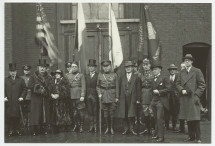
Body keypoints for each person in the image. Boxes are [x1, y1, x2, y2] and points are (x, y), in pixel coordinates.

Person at [176, 54, 206, 143]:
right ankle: (191, 136)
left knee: (195, 118)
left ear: (192, 62)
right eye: (185, 60)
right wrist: (182, 90)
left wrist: (196, 95)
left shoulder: (197, 71)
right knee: (188, 118)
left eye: (189, 60)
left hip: (193, 97)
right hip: (185, 97)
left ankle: (198, 137)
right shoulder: (182, 72)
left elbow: (202, 85)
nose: (187, 61)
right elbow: (177, 83)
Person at [28, 59, 52, 136]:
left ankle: (44, 128)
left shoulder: (49, 77)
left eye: (44, 67)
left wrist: (46, 90)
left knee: (44, 113)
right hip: (36, 99)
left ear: (46, 68)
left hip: (45, 98)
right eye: (41, 67)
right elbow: (30, 86)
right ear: (38, 67)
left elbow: (51, 86)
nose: (42, 69)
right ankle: (34, 130)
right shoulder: (33, 76)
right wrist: (39, 88)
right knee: (36, 114)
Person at [117, 60, 140, 136]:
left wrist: (138, 99)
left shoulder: (136, 77)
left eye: (129, 67)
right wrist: (118, 97)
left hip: (133, 98)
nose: (128, 68)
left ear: (132, 68)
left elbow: (138, 89)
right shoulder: (122, 77)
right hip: (123, 98)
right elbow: (119, 88)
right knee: (125, 113)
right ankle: (126, 129)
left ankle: (132, 128)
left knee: (132, 114)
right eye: (126, 67)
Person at [96, 60, 119, 135]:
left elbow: (117, 87)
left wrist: (117, 96)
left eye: (107, 66)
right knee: (105, 112)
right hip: (103, 95)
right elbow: (98, 86)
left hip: (112, 95)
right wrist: (99, 93)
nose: (106, 68)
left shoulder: (114, 75)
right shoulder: (100, 75)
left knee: (111, 112)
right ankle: (107, 128)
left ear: (110, 66)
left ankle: (112, 128)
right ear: (102, 67)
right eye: (104, 67)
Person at [150, 62, 170, 142]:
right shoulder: (152, 79)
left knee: (159, 118)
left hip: (161, 101)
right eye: (153, 69)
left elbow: (169, 89)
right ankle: (157, 134)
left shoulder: (164, 78)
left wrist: (159, 91)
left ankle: (161, 137)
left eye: (156, 69)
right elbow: (151, 91)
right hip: (154, 101)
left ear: (160, 70)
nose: (154, 71)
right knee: (155, 118)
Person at [5, 63, 26, 137]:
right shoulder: (5, 80)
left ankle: (17, 130)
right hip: (9, 102)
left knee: (17, 116)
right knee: (9, 116)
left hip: (17, 101)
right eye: (11, 71)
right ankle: (10, 130)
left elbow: (24, 89)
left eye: (14, 71)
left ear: (16, 71)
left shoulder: (20, 80)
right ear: (9, 72)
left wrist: (22, 97)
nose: (12, 72)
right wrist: (4, 97)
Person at [66, 61, 86, 133]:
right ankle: (75, 125)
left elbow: (83, 85)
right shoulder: (67, 75)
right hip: (71, 95)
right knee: (74, 112)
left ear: (77, 67)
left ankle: (81, 126)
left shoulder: (81, 75)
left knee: (81, 112)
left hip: (78, 95)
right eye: (72, 67)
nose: (74, 68)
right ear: (71, 68)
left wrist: (82, 95)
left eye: (75, 66)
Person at [49, 69, 71, 133]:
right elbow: (49, 89)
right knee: (55, 114)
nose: (57, 75)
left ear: (61, 75)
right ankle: (55, 127)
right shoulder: (52, 81)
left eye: (58, 74)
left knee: (63, 114)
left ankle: (64, 127)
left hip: (63, 102)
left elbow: (67, 92)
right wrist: (51, 95)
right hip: (54, 101)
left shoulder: (64, 81)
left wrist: (59, 95)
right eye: (56, 74)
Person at [139, 58, 155, 135]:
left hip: (151, 95)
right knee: (145, 113)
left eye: (147, 65)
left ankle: (153, 129)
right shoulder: (141, 74)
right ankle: (146, 129)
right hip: (144, 95)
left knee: (152, 113)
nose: (145, 66)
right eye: (144, 65)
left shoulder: (153, 74)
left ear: (150, 65)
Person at [85, 59, 99, 133]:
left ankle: (96, 126)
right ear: (88, 67)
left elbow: (98, 86)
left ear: (95, 67)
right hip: (88, 96)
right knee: (90, 111)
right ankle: (91, 126)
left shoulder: (98, 75)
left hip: (95, 96)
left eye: (92, 66)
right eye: (90, 66)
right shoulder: (86, 76)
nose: (91, 68)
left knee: (95, 111)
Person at [165, 64, 179, 131]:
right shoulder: (166, 77)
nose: (172, 71)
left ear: (176, 70)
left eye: (174, 69)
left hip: (175, 97)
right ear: (169, 71)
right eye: (171, 69)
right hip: (168, 96)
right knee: (167, 111)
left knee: (175, 112)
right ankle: (166, 126)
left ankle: (174, 126)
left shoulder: (178, 77)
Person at [20, 65, 32, 130]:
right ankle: (24, 122)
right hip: (23, 96)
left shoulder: (32, 77)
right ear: (23, 71)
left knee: (30, 110)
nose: (26, 71)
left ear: (29, 70)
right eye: (25, 70)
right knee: (23, 110)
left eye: (27, 70)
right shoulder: (21, 78)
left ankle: (29, 122)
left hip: (30, 96)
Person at [133, 59, 144, 126]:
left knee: (139, 107)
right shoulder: (131, 74)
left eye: (135, 67)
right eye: (133, 66)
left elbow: (143, 83)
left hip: (140, 92)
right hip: (133, 93)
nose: (134, 68)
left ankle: (139, 120)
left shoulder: (140, 74)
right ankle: (135, 119)